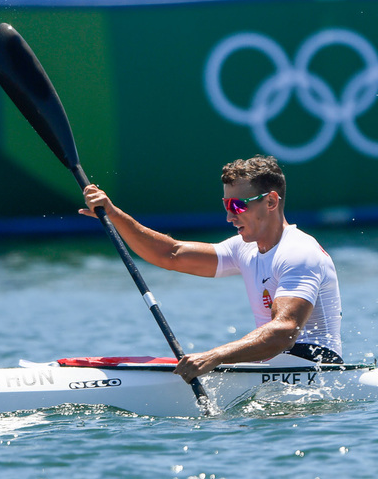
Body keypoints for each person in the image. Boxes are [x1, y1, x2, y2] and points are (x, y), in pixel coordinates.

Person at [80, 154, 342, 383]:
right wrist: (114, 215)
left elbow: (284, 331)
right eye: (226, 205)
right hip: (271, 365)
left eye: (238, 205)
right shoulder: (244, 248)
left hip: (315, 368)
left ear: (271, 202)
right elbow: (171, 254)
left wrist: (214, 356)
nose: (230, 216)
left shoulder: (298, 253)